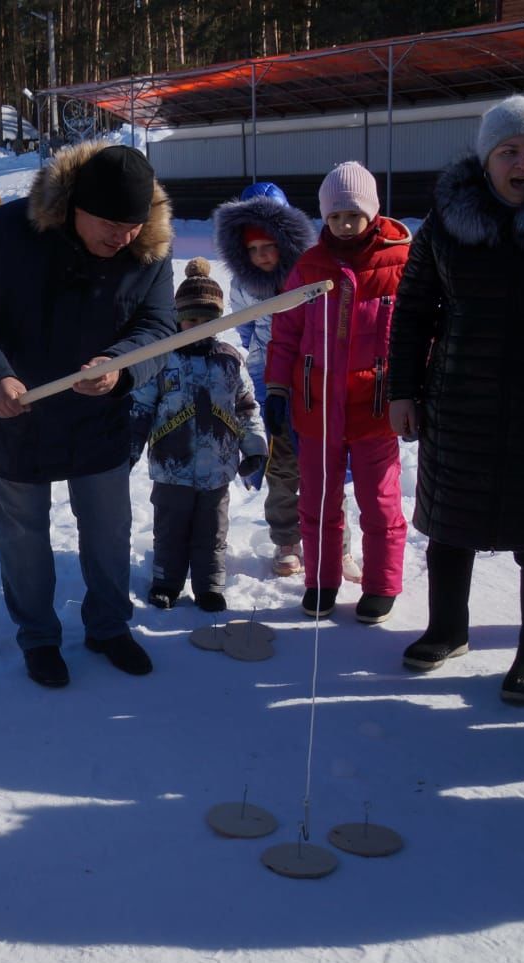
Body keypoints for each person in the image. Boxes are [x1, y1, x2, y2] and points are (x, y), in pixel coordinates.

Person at [389, 95, 524, 703]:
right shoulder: (446, 218)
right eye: (509, 150)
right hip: (458, 397)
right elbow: (413, 310)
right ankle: (446, 629)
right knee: (450, 522)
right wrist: (402, 389)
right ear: (487, 159)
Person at [0, 144, 176, 687]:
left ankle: (109, 626)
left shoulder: (149, 251)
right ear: (73, 206)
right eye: (111, 223)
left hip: (100, 418)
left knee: (110, 531)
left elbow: (160, 326)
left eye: (134, 224)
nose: (124, 237)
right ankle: (39, 636)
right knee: (24, 536)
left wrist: (122, 367)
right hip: (13, 418)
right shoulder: (6, 233)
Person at [266, 161, 409, 623]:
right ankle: (321, 580)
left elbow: (420, 332)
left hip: (375, 405)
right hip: (317, 405)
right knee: (318, 499)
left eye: (353, 215)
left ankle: (381, 584)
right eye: (335, 217)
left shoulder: (399, 262)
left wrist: (417, 393)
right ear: (323, 218)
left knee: (379, 500)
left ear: (372, 212)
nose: (344, 225)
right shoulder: (310, 266)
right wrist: (276, 390)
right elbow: (285, 332)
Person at [129, 258, 267, 612]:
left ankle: (209, 586)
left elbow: (246, 408)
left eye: (207, 321)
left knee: (212, 532)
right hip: (172, 466)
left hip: (218, 470)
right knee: (170, 530)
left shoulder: (230, 360)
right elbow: (142, 407)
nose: (198, 327)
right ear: (177, 318)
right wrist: (128, 448)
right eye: (191, 319)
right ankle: (166, 582)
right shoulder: (162, 359)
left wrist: (253, 447)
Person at [212, 181, 317, 578]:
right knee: (281, 465)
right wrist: (257, 365)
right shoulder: (243, 284)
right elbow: (245, 328)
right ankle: (286, 539)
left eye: (269, 245)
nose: (262, 255)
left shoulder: (310, 273)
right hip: (268, 380)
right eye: (252, 249)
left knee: (320, 462)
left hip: (312, 380)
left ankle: (330, 540)